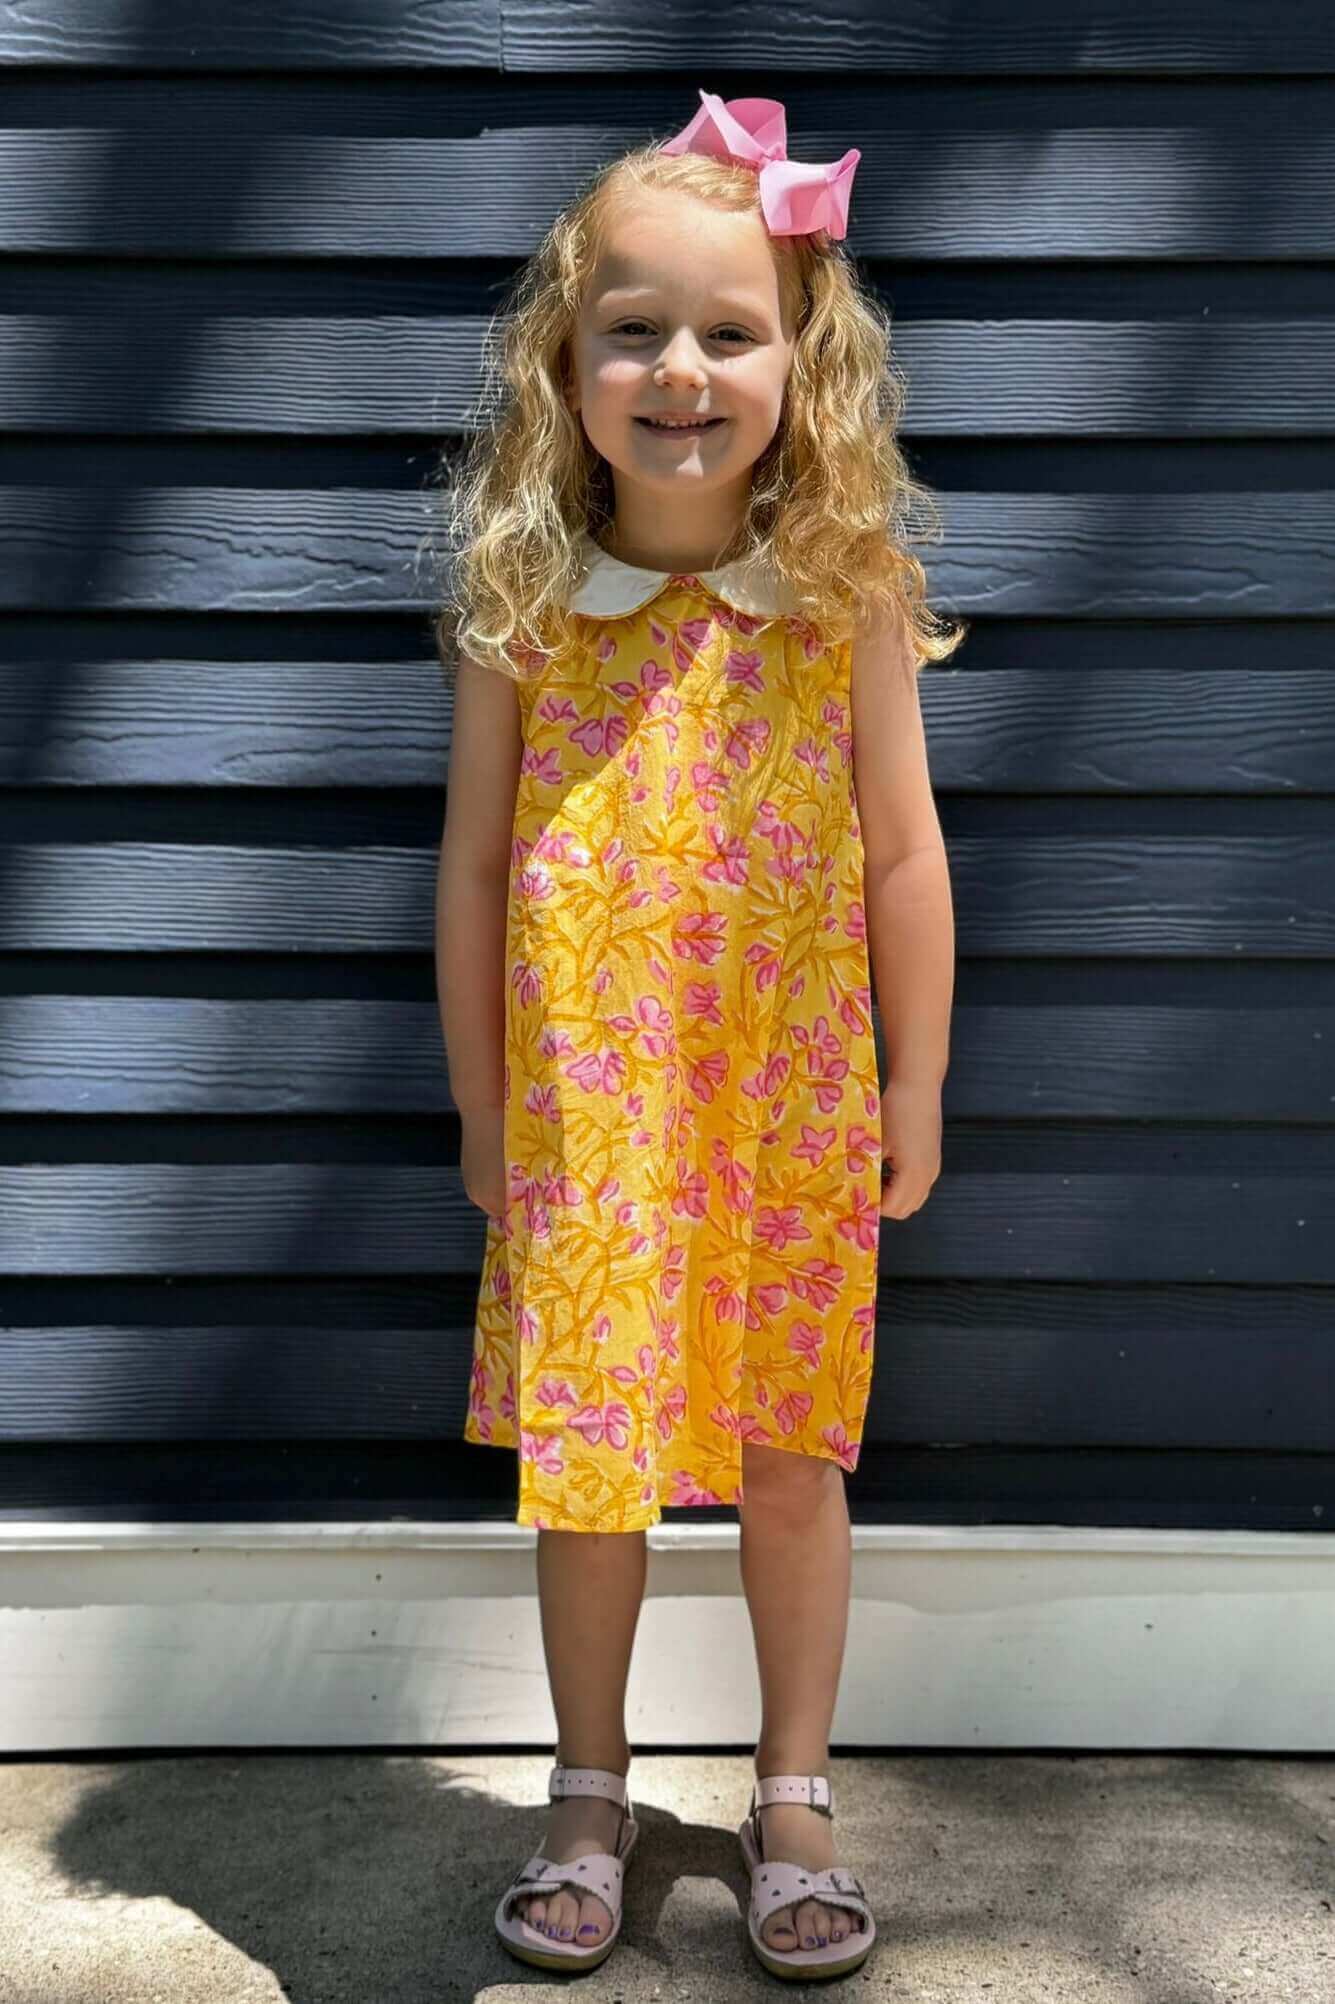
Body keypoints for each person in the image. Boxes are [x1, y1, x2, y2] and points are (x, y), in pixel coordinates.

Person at [434, 87, 962, 1981]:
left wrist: (915, 1079)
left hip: (791, 1112)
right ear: (561, 362)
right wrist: (486, 1111)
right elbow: (479, 874)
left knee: (796, 1457)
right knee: (587, 1468)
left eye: (730, 331)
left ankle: (796, 1791)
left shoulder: (843, 599)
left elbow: (903, 850)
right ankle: (587, 1785)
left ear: (802, 361)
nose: (679, 369)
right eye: (633, 329)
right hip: (591, 1123)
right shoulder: (526, 614)